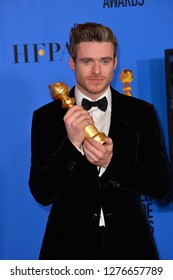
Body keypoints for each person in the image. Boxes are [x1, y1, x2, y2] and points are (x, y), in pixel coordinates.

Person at [29, 22, 171, 260]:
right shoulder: (46, 117)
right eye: (87, 61)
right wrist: (71, 146)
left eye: (104, 61)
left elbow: (160, 186)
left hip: (132, 249)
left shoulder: (142, 113)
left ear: (115, 63)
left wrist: (112, 162)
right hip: (67, 250)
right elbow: (42, 192)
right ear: (72, 62)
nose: (97, 71)